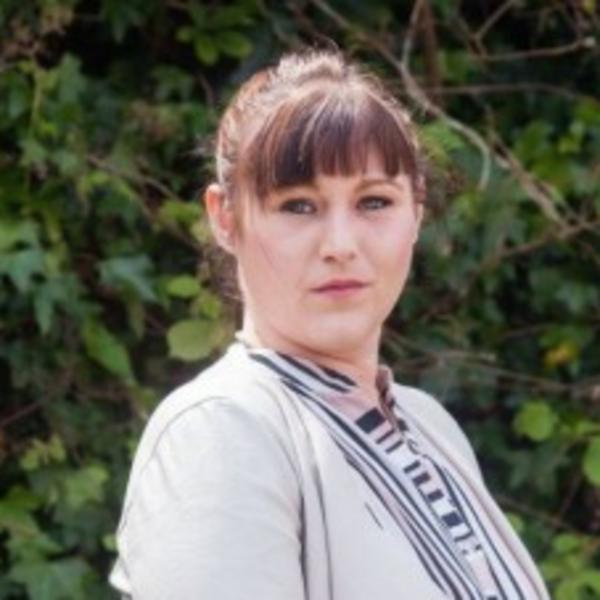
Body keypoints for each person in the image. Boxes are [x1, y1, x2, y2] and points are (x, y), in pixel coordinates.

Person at [109, 49, 550, 599]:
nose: (340, 245)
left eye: (374, 202)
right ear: (224, 217)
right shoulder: (221, 430)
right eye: (298, 205)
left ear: (416, 209)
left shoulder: (429, 425)